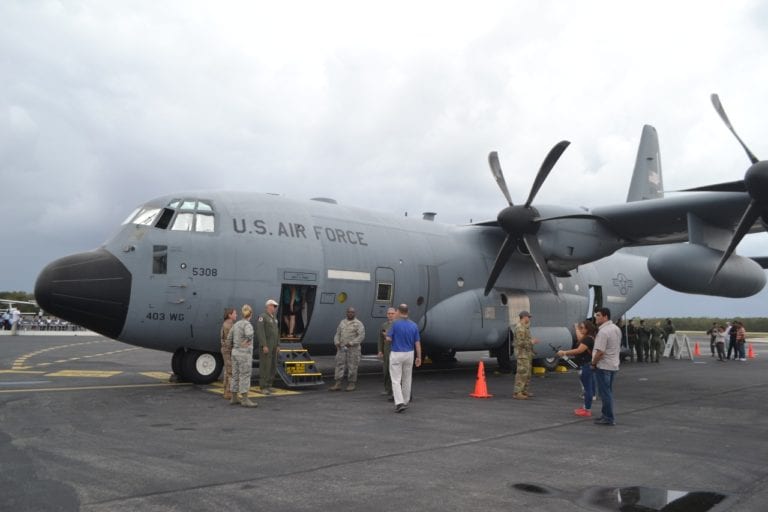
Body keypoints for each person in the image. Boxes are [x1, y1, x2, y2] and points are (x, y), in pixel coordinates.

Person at [386, 304, 422, 413]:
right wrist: (419, 357)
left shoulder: (394, 324)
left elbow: (388, 338)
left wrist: (386, 336)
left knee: (396, 380)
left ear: (398, 312)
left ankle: (399, 403)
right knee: (407, 378)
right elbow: (417, 343)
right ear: (408, 312)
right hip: (410, 354)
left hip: (397, 353)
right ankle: (405, 401)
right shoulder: (414, 325)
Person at [557, 320, 597, 417]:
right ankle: (585, 407)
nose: (580, 329)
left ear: (588, 328)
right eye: (580, 328)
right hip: (588, 365)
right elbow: (581, 340)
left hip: (586, 365)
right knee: (589, 387)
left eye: (582, 328)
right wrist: (576, 329)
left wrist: (564, 352)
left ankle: (587, 409)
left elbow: (579, 350)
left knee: (587, 388)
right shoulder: (590, 337)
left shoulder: (587, 339)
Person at [591, 307, 621, 426]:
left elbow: (600, 352)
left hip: (603, 366)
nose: (596, 317)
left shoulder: (603, 332)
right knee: (607, 392)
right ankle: (605, 415)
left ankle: (608, 417)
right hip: (613, 365)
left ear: (605, 317)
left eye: (598, 315)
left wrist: (593, 363)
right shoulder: (616, 329)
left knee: (605, 393)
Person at [227, 304, 257, 408]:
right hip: (244, 354)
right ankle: (245, 399)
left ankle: (234, 397)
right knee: (245, 375)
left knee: (235, 375)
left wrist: (235, 347)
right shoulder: (247, 324)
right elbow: (249, 334)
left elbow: (228, 339)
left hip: (235, 353)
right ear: (250, 314)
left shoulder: (236, 324)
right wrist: (246, 342)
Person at [330, 307, 365, 391]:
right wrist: (336, 342)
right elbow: (337, 333)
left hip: (353, 349)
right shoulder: (342, 322)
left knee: (352, 366)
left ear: (354, 314)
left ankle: (351, 383)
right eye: (349, 312)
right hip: (341, 348)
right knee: (339, 365)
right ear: (346, 313)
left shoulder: (358, 324)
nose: (350, 313)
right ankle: (338, 383)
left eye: (352, 312)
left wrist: (351, 343)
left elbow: (361, 336)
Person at [255, 299, 280, 394]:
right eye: (274, 306)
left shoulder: (274, 318)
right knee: (265, 365)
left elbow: (277, 332)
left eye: (275, 306)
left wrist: (278, 344)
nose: (275, 308)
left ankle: (269, 384)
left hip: (274, 346)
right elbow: (260, 332)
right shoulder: (263, 317)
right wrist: (264, 345)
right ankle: (263, 386)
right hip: (267, 345)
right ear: (268, 306)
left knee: (273, 365)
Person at [512, 311, 539, 400]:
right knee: (522, 373)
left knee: (527, 373)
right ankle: (517, 392)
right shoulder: (520, 328)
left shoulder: (525, 328)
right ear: (524, 317)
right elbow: (520, 343)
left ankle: (523, 390)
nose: (529, 319)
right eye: (528, 317)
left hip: (526, 354)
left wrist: (532, 350)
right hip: (522, 354)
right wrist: (532, 342)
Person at [377, 307, 397, 399]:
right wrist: (380, 350)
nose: (390, 315)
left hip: (395, 350)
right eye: (389, 313)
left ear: (395, 314)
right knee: (386, 371)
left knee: (394, 372)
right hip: (386, 350)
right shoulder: (384, 325)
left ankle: (395, 391)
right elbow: (380, 339)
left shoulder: (397, 325)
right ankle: (387, 389)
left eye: (392, 313)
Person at [220, 307, 237, 400]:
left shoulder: (225, 324)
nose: (236, 315)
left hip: (226, 350)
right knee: (230, 371)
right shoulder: (229, 325)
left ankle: (226, 391)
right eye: (235, 313)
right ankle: (229, 392)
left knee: (227, 370)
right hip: (229, 350)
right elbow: (231, 340)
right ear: (230, 315)